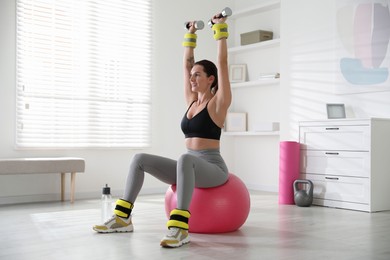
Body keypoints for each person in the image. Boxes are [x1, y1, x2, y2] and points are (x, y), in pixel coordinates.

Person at [93, 12, 232, 248]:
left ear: (210, 79)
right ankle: (123, 218)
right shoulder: (191, 100)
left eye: (197, 75)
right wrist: (190, 35)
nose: (191, 79)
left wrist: (220, 30)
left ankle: (179, 228)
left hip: (212, 168)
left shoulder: (219, 102)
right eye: (191, 76)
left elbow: (223, 64)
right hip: (187, 166)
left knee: (185, 159)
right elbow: (186, 64)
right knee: (139, 159)